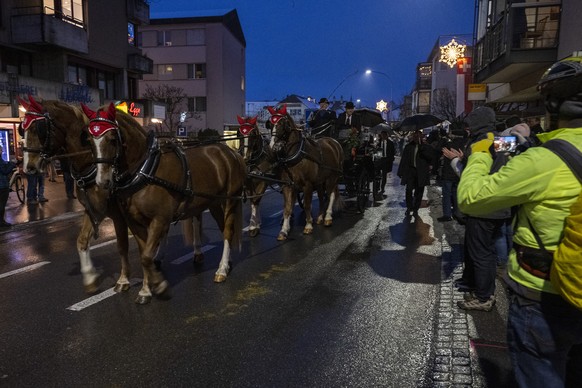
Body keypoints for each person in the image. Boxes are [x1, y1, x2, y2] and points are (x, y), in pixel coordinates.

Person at [455, 55, 582, 387]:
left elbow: (472, 196)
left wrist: (481, 152)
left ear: (554, 103)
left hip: (546, 294)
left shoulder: (544, 159)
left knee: (541, 373)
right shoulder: (544, 149)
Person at [443, 107, 512, 312]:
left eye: (470, 124)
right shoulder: (501, 140)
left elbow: (469, 175)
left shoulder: (480, 144)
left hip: (483, 206)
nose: (467, 128)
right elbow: (505, 167)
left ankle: (483, 297)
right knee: (486, 251)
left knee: (481, 253)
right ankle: (480, 289)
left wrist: (456, 161)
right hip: (499, 204)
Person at [397, 130, 435, 216]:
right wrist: (401, 171)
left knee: (419, 191)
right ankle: (409, 207)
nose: (416, 138)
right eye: (415, 136)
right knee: (408, 190)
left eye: (418, 136)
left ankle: (416, 208)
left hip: (421, 172)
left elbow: (430, 157)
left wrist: (422, 148)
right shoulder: (408, 147)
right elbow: (404, 159)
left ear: (421, 137)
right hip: (410, 171)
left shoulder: (426, 147)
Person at [437, 128, 466, 222]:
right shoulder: (465, 145)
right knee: (456, 193)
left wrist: (443, 139)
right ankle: (458, 213)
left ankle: (447, 214)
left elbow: (438, 150)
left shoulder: (448, 144)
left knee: (446, 194)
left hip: (448, 173)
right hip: (459, 173)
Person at [0, 144, 17, 227]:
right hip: (2, 186)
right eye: (0, 150)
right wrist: (12, 164)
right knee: (1, 204)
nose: (2, 151)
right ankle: (1, 222)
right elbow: (5, 171)